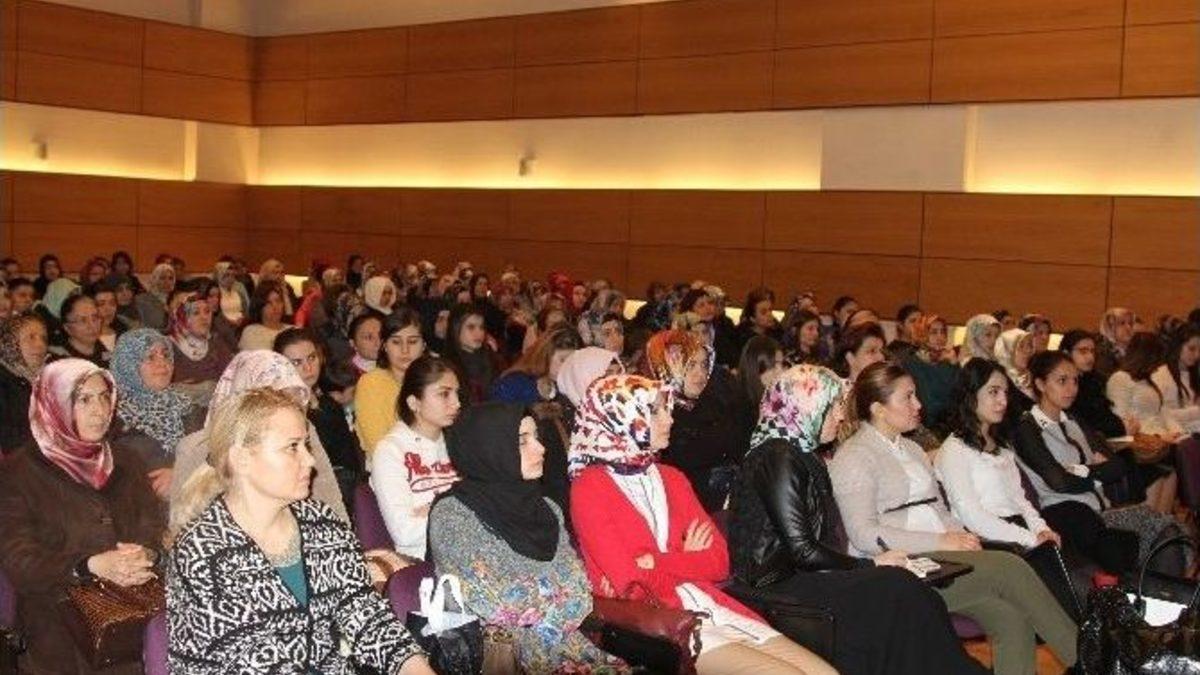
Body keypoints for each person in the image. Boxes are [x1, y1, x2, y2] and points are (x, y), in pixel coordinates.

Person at [729, 365, 987, 675]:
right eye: (833, 406)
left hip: (802, 576)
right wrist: (869, 564)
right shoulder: (777, 456)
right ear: (806, 407)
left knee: (909, 594)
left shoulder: (800, 453)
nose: (841, 415)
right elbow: (802, 551)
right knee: (899, 589)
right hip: (776, 586)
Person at [569, 374, 834, 674]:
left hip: (711, 606)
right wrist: (687, 558)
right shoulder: (589, 487)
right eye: (654, 411)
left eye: (666, 408)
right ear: (619, 420)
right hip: (664, 625)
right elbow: (629, 582)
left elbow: (720, 562)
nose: (669, 418)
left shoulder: (672, 478)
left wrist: (656, 561)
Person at [829, 362, 1078, 675]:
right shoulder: (854, 456)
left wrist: (962, 537)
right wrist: (942, 540)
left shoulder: (912, 449)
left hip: (941, 562)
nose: (919, 405)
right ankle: (1091, 660)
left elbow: (940, 510)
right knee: (1011, 567)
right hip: (898, 570)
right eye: (908, 397)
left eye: (916, 395)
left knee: (1009, 617)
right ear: (878, 409)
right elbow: (863, 535)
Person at [165, 387, 433, 675]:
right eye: (292, 447)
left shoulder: (320, 523)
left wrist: (413, 666)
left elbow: (366, 617)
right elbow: (255, 663)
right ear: (241, 459)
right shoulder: (201, 551)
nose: (309, 460)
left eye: (306, 445)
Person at [428, 401, 626, 673]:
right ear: (489, 449)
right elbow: (496, 602)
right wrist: (558, 594)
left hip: (570, 648)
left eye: (536, 437)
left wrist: (544, 602)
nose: (541, 448)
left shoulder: (548, 508)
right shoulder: (452, 515)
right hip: (502, 658)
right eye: (522, 441)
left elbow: (580, 590)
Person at [0, 359, 164, 674]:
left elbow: (152, 525)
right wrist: (88, 566)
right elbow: (20, 561)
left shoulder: (127, 461)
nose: (100, 411)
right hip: (56, 622)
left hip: (130, 616)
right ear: (53, 405)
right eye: (84, 400)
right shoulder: (18, 473)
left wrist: (146, 554)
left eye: (104, 397)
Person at [168, 350, 350, 524]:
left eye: (294, 402)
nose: (289, 411)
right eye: (276, 401)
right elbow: (181, 525)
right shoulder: (195, 449)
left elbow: (332, 501)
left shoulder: (304, 432)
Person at [936, 359, 1059, 549]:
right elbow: (972, 516)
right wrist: (1031, 539)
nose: (1003, 401)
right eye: (994, 392)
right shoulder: (954, 450)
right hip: (989, 541)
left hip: (1019, 532)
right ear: (970, 394)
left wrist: (1041, 530)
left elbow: (1020, 500)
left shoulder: (1002, 447)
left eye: (1005, 393)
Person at [372, 356, 461, 559]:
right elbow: (404, 532)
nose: (456, 403)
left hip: (471, 551)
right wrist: (457, 510)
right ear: (414, 402)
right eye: (444, 394)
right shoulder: (390, 451)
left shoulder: (460, 442)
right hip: (423, 560)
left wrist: (433, 510)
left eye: (457, 393)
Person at [644, 329, 743, 512]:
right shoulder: (652, 415)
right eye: (690, 365)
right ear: (667, 366)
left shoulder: (715, 403)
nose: (701, 374)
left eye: (704, 365)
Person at [275, 327, 365, 518]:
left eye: (312, 358)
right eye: (296, 362)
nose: (308, 368)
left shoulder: (329, 404)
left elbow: (350, 460)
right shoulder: (281, 414)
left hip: (346, 489)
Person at [110, 329, 206, 499]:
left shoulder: (188, 407)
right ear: (128, 365)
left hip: (198, 498)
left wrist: (182, 473)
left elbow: (217, 457)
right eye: (150, 357)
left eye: (166, 355)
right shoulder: (114, 422)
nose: (163, 363)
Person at [355, 309, 426, 460]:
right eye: (396, 342)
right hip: (390, 466)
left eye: (412, 342)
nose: (405, 350)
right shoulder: (371, 383)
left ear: (424, 345)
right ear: (385, 346)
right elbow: (379, 447)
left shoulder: (435, 380)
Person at [1107, 332, 1186, 440]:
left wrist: (1178, 432)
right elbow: (1122, 420)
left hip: (1160, 436)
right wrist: (1158, 437)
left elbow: (1163, 413)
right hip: (1144, 441)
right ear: (1144, 358)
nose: (1157, 368)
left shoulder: (1148, 381)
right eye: (1155, 362)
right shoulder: (1120, 378)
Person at [168, 291, 234, 405]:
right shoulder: (167, 347)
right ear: (181, 317)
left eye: (207, 311)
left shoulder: (216, 343)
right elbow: (165, 391)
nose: (204, 317)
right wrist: (202, 389)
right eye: (196, 313)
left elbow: (232, 379)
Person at [490, 325, 582, 404]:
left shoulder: (570, 386)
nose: (567, 367)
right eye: (562, 360)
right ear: (546, 355)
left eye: (572, 362)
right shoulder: (515, 383)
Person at [0, 314, 48, 454]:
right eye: (31, 337)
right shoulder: (3, 380)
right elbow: (9, 438)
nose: (40, 344)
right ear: (9, 342)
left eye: (44, 339)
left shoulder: (49, 376)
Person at [444, 303, 503, 405]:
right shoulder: (446, 366)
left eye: (481, 327)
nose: (478, 333)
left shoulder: (492, 358)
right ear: (456, 329)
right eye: (471, 327)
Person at [1156, 324, 1200, 433]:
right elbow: (1160, 414)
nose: (1197, 355)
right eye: (1191, 349)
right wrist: (1196, 411)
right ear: (1178, 346)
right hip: (1176, 434)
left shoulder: (1195, 374)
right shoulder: (1161, 375)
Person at [994, 328, 1037, 437]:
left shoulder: (1035, 377)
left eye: (1029, 345)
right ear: (1007, 350)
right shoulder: (998, 380)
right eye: (1021, 346)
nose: (1028, 351)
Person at [50, 293, 111, 367]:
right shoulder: (58, 359)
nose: (92, 326)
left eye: (94, 318)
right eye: (83, 320)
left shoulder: (104, 351)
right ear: (67, 328)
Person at [1095, 307, 1135, 379]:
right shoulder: (1102, 351)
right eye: (1122, 323)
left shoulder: (1135, 349)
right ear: (1109, 327)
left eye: (1130, 324)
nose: (1128, 327)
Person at [135, 262, 176, 331]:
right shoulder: (142, 300)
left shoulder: (174, 300)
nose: (167, 282)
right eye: (162, 278)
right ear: (155, 279)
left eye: (170, 278)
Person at [212, 260, 248, 325]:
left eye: (233, 275)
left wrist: (243, 320)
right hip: (222, 325)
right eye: (227, 275)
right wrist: (230, 322)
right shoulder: (215, 294)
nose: (230, 278)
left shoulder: (239, 293)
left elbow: (245, 311)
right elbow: (215, 315)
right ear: (219, 276)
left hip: (241, 324)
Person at [348, 311, 383, 376]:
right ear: (353, 343)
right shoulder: (346, 375)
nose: (378, 343)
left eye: (381, 336)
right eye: (369, 337)